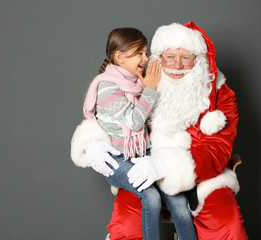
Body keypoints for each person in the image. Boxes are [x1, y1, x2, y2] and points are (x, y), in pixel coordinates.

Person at [71, 21, 249, 240]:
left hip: (201, 178)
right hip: (140, 168)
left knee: (228, 226)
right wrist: (93, 143)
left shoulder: (220, 94)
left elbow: (217, 150)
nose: (177, 65)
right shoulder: (142, 79)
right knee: (126, 228)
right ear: (159, 58)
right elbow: (109, 112)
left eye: (186, 57)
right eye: (170, 57)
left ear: (199, 60)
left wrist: (163, 165)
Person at [72, 27, 198, 240]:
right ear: (119, 57)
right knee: (150, 196)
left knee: (177, 198)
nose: (145, 58)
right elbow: (134, 121)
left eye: (146, 52)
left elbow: (150, 121)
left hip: (142, 153)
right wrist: (150, 89)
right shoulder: (106, 87)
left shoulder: (136, 81)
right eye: (139, 52)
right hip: (117, 159)